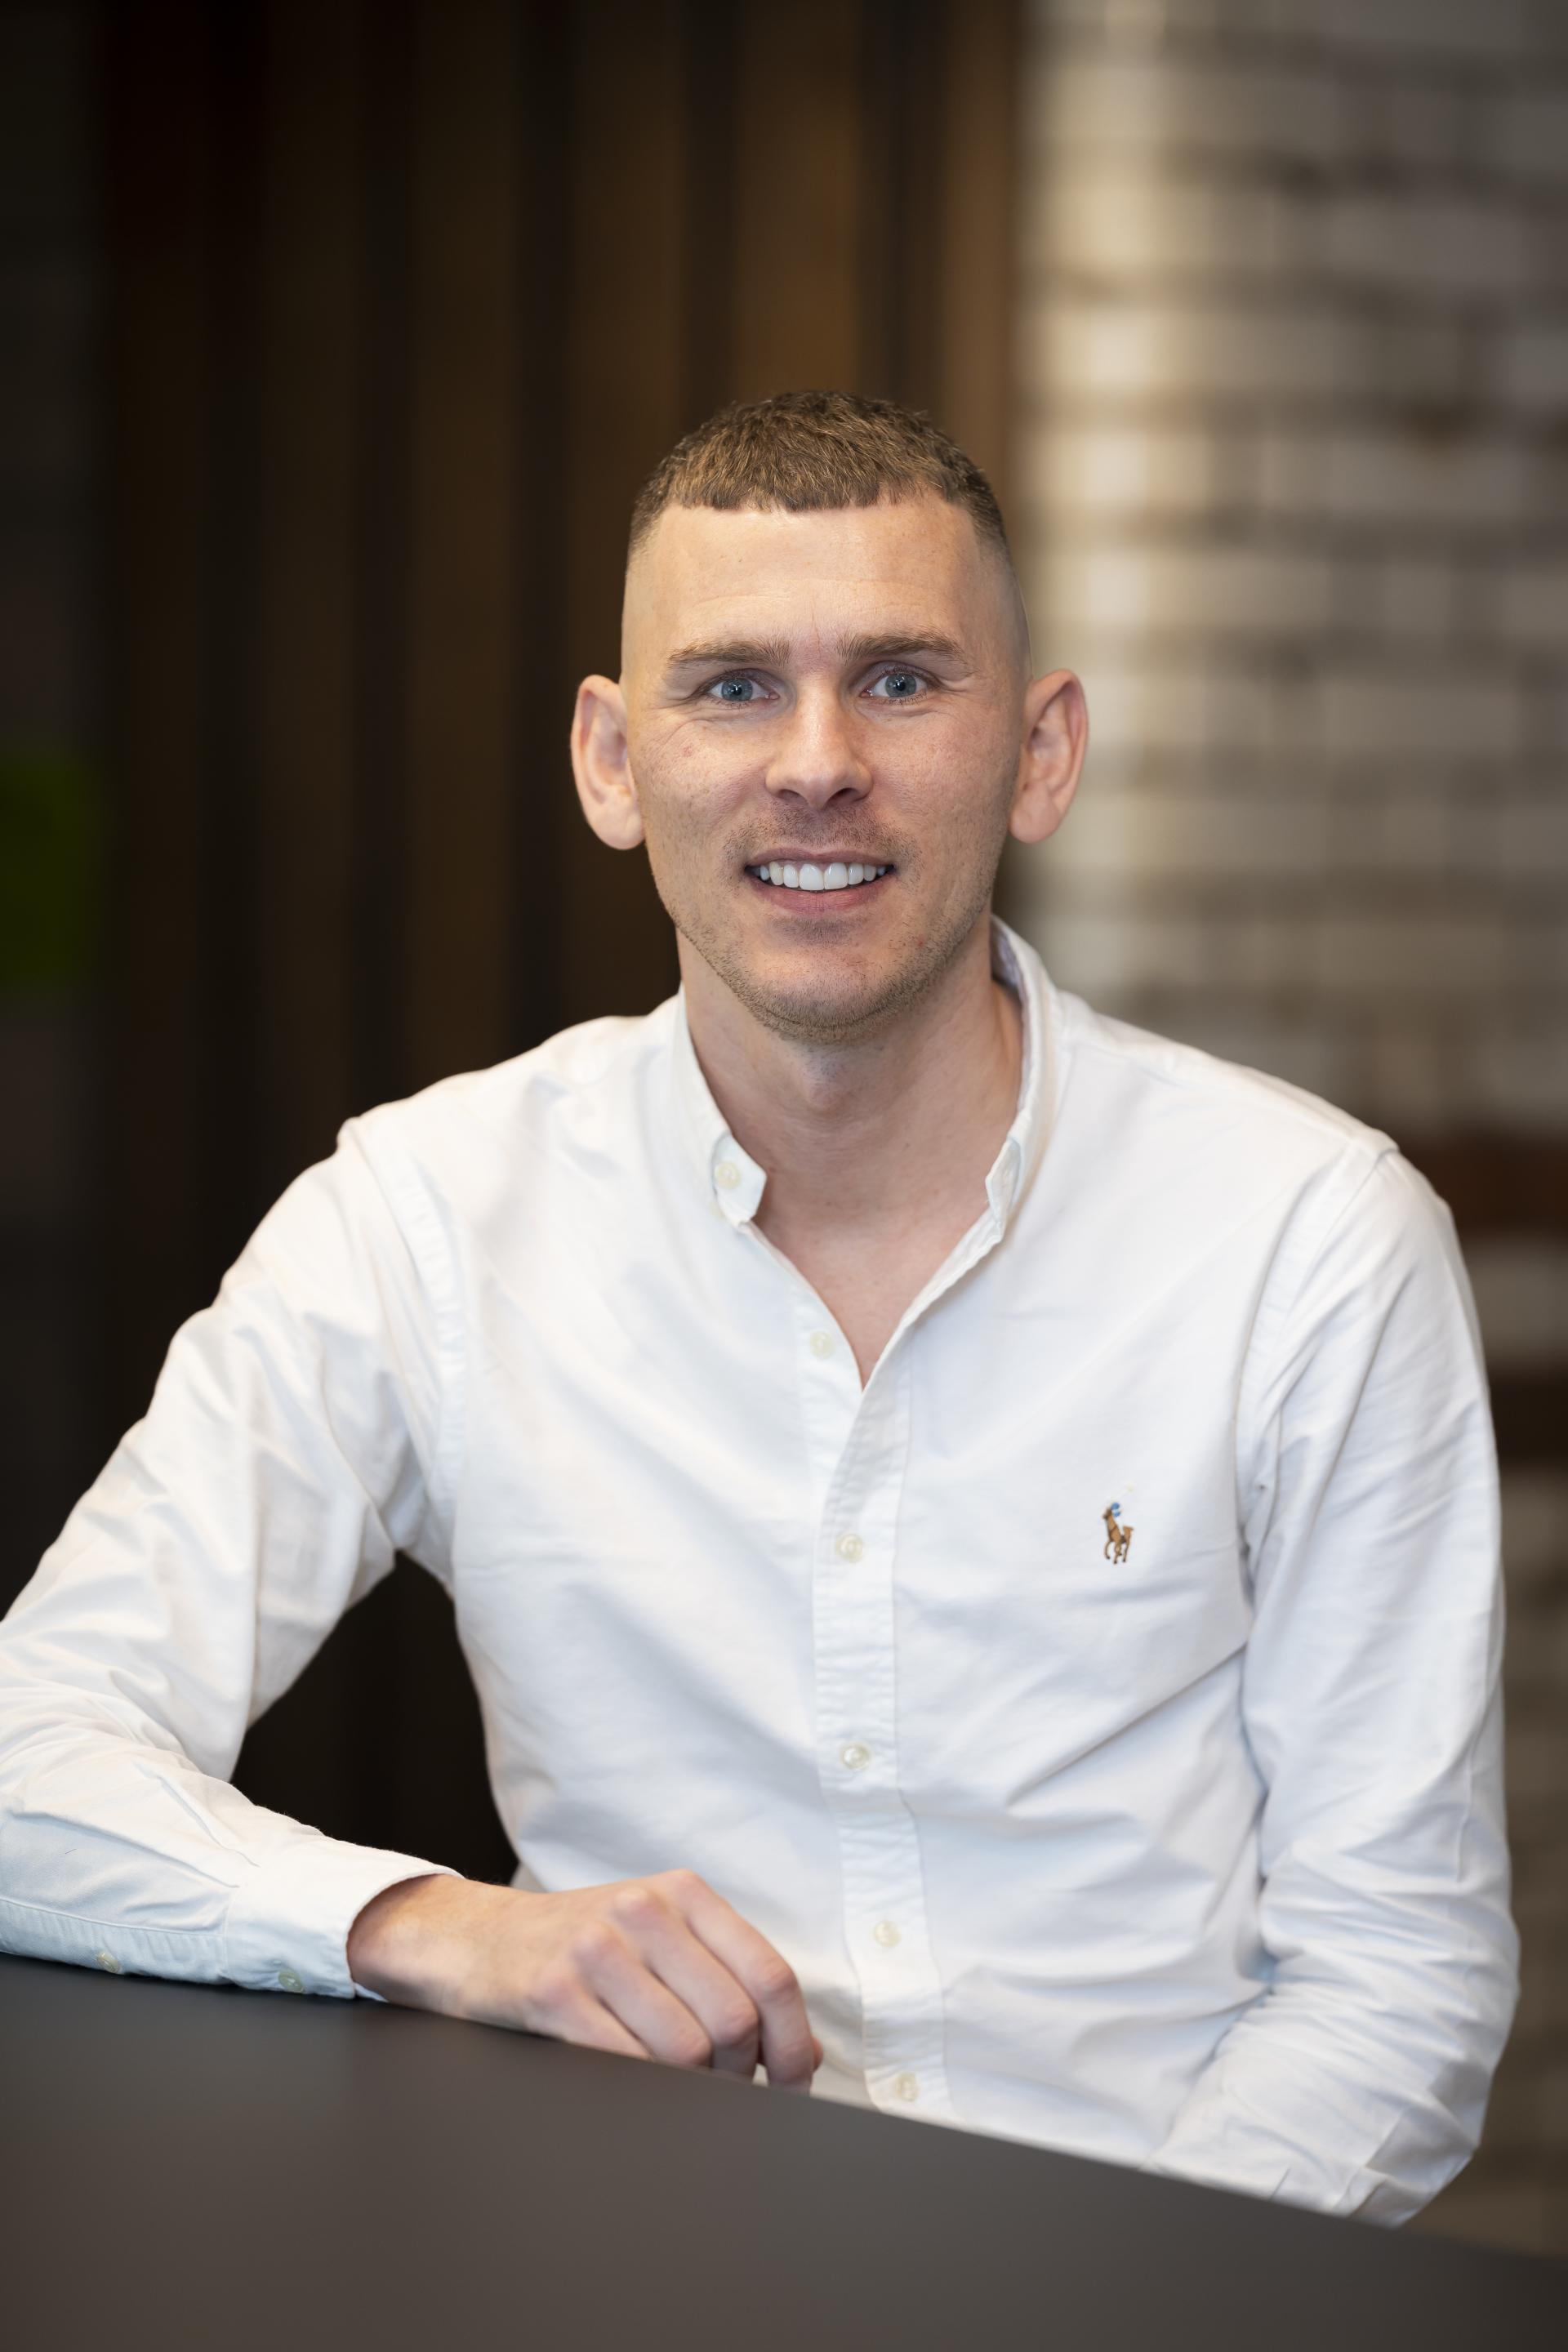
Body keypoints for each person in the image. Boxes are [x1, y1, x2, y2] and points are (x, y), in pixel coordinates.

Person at [0, 390, 1517, 2222]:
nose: (814, 763)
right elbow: (27, 1763)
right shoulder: (423, 1218)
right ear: (611, 761)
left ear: (1040, 754)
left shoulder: (1311, 1242)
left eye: (899, 680)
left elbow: (1396, 1979)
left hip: (1175, 2287)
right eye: (728, 687)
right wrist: (430, 1929)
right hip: (656, 2283)